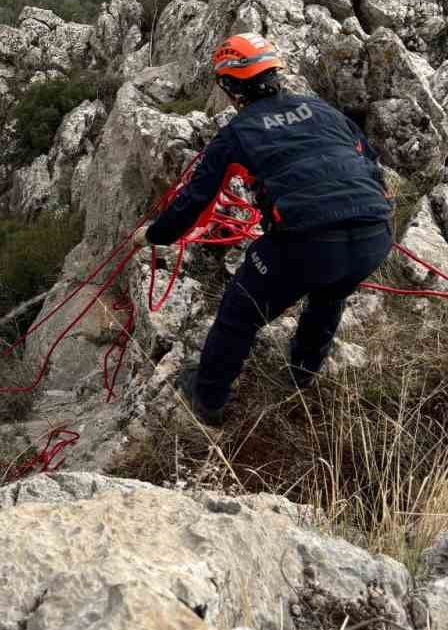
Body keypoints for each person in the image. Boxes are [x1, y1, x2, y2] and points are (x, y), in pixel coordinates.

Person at [133, 33, 393, 426]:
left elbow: (195, 200)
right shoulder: (321, 109)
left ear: (230, 86)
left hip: (307, 241)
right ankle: (303, 373)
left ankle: (208, 399)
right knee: (330, 292)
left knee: (240, 312)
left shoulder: (237, 134)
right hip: (375, 232)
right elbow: (372, 165)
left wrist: (156, 236)